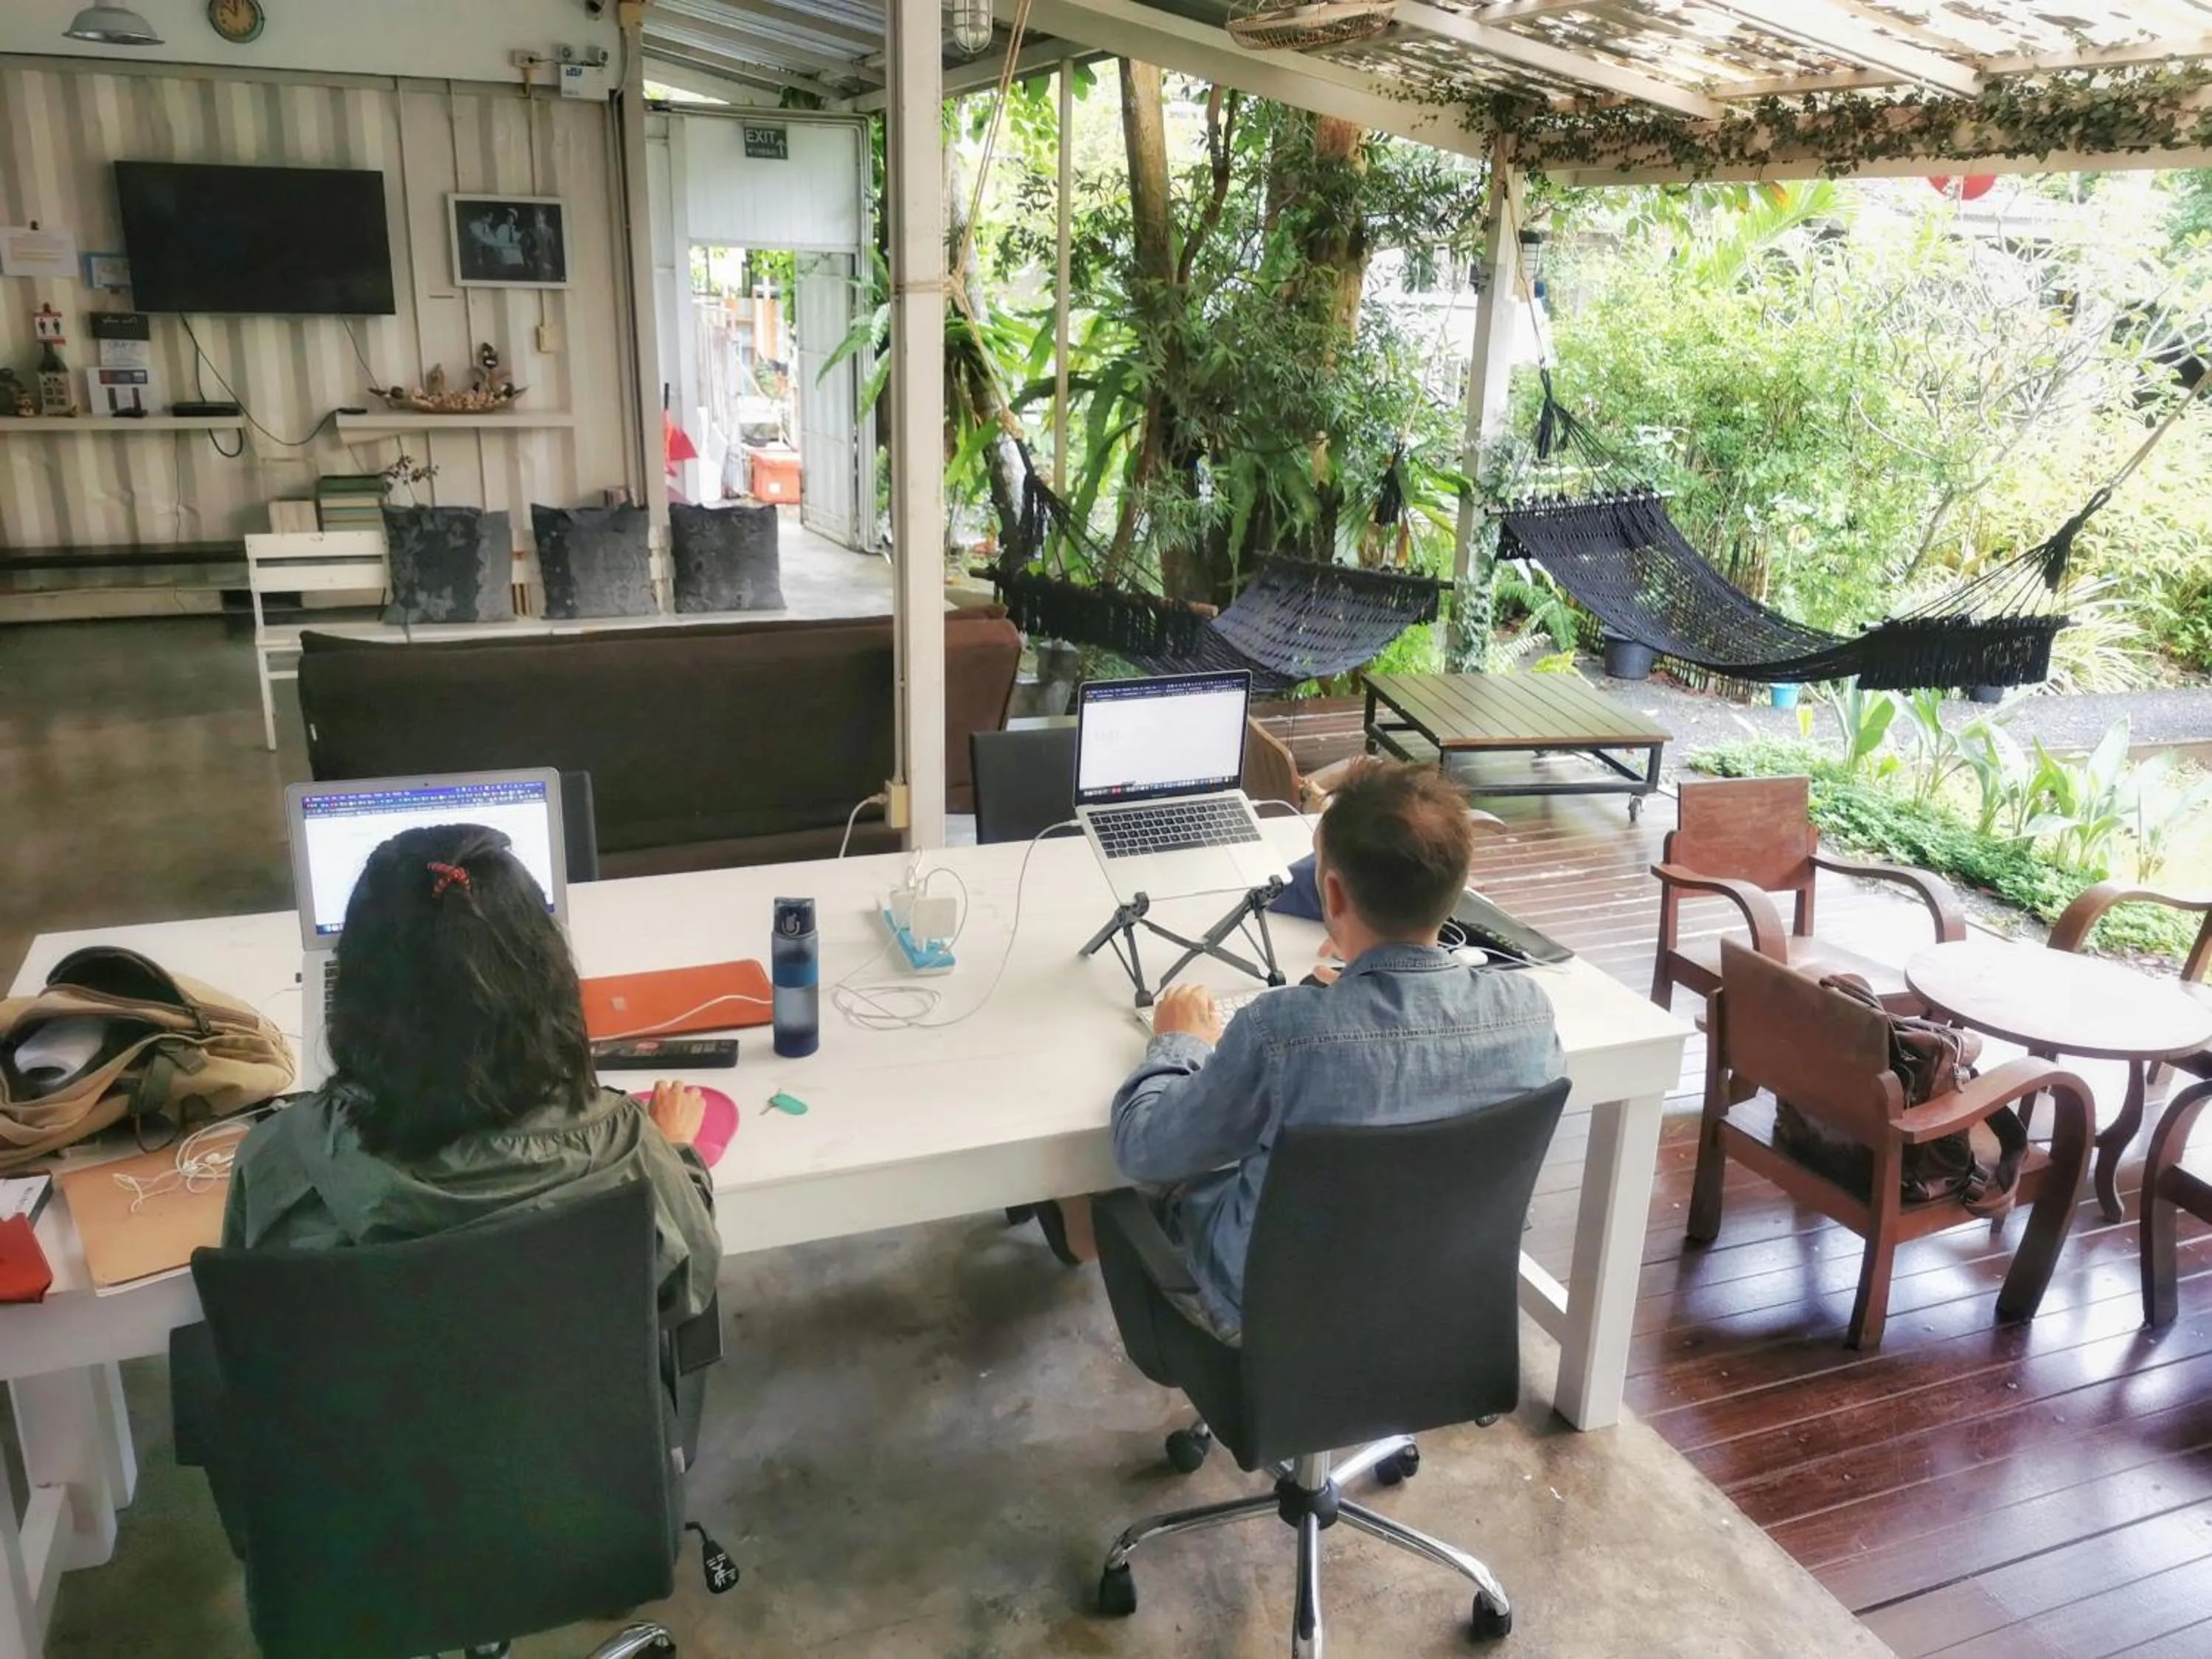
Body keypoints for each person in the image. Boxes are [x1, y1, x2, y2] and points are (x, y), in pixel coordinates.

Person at [178, 824, 722, 1553]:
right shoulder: (625, 1147)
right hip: (576, 1509)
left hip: (361, 1528)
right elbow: (691, 1288)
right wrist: (678, 1149)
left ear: (358, 987)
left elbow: (258, 1335)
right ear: (547, 976)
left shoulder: (283, 1156)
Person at [1109, 760, 1567, 1341]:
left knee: (1134, 1181)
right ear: (1455, 889)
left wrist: (1179, 1039)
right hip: (1436, 1293)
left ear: (1330, 891)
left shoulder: (1283, 1032)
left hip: (1270, 1315)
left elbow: (1142, 1149)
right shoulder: (1529, 1013)